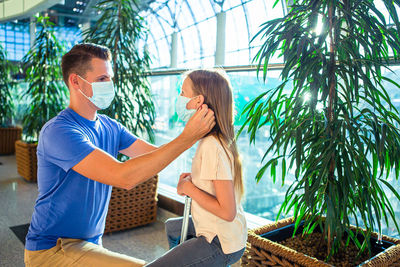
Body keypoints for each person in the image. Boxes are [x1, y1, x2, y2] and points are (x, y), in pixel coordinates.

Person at [24, 43, 215, 267]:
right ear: (76, 81)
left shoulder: (109, 126)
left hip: (90, 245)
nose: (110, 85)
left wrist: (201, 138)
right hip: (52, 249)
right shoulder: (59, 131)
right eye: (102, 79)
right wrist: (187, 137)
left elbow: (154, 155)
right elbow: (123, 176)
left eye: (110, 78)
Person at [146, 69, 247, 267]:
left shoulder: (211, 145)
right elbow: (218, 178)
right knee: (173, 229)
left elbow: (227, 211)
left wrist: (189, 188)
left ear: (199, 101)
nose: (179, 98)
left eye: (183, 93)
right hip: (229, 232)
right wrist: (196, 179)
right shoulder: (216, 140)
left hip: (221, 243)